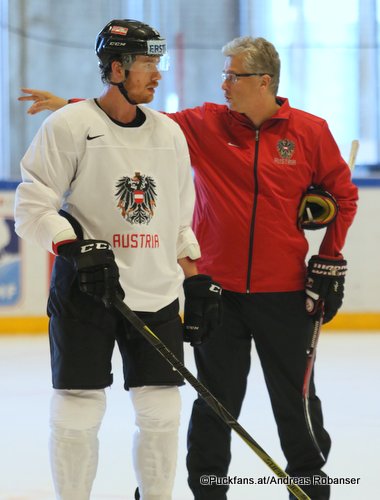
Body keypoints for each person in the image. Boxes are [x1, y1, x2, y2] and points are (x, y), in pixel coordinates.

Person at [18, 36, 358, 500]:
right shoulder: (203, 124)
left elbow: (343, 196)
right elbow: (132, 122)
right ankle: (208, 490)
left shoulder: (309, 131)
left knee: (295, 400)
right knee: (215, 402)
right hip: (218, 288)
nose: (223, 84)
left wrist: (329, 257)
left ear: (262, 82)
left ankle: (311, 486)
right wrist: (72, 105)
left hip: (285, 291)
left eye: (231, 75)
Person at [14, 19, 222, 500]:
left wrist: (194, 277)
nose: (156, 74)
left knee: (162, 412)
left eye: (157, 63)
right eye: (147, 63)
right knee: (79, 407)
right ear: (114, 67)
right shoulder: (70, 126)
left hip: (155, 292)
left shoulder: (169, 134)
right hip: (86, 292)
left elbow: (176, 220)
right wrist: (73, 247)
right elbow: (32, 204)